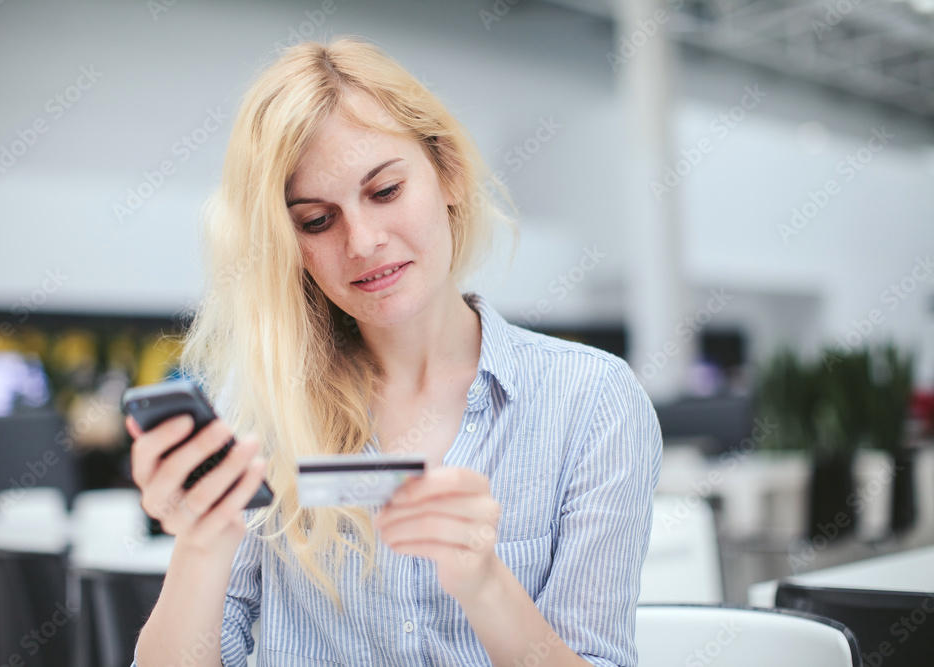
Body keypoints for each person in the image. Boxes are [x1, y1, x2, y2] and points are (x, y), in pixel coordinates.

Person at [128, 36, 662, 667]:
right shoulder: (259, 415)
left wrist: (486, 587)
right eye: (317, 221)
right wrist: (199, 543)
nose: (363, 242)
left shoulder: (591, 403)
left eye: (384, 191)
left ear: (449, 174)